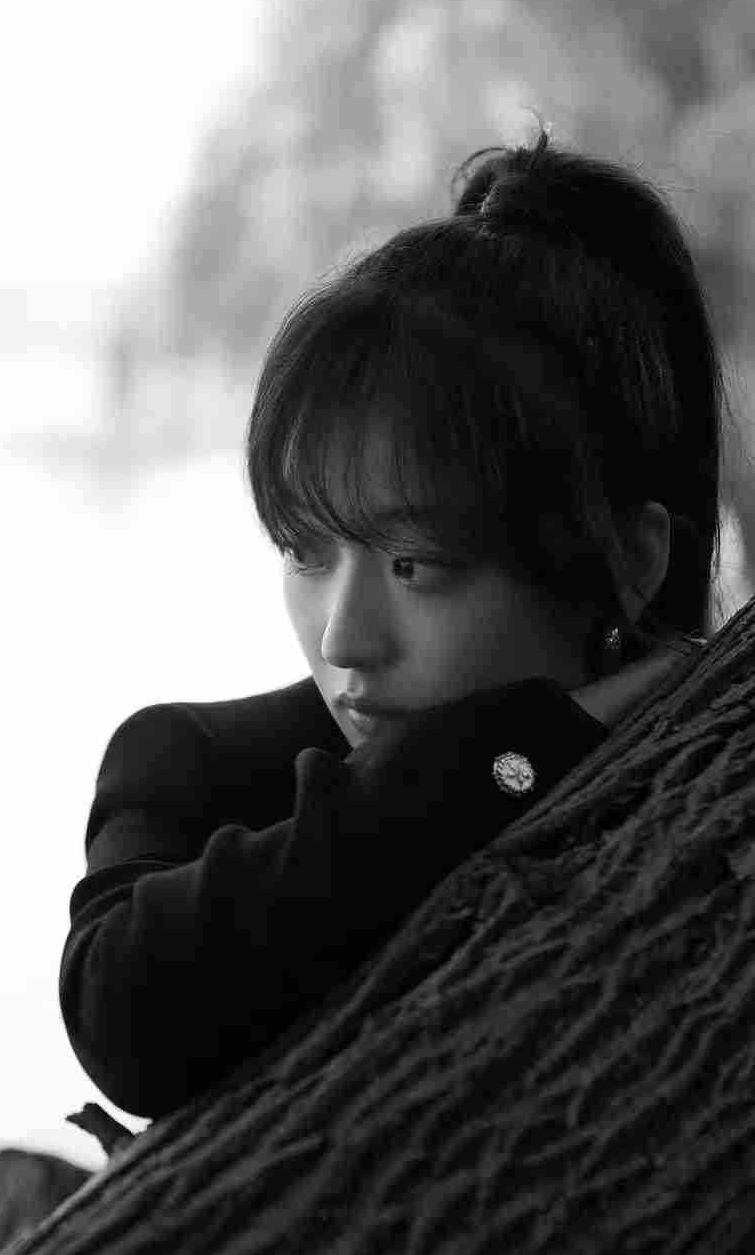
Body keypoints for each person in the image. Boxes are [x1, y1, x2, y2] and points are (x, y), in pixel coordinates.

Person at [59, 128, 727, 1126]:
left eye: (415, 566)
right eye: (305, 552)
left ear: (629, 563)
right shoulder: (191, 769)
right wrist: (504, 755)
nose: (342, 640)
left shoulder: (708, 791)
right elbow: (127, 1018)